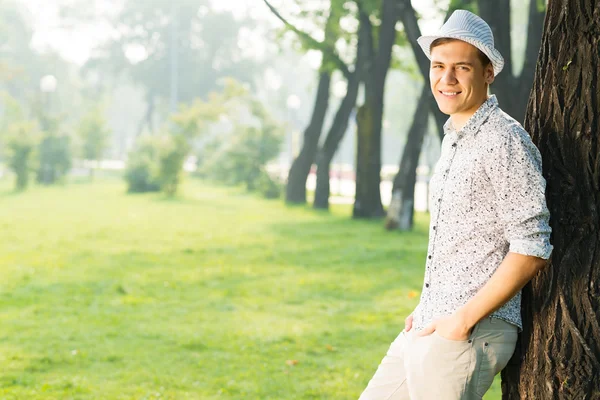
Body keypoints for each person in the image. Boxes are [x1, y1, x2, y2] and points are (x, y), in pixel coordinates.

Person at [358, 10, 553, 400]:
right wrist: (429, 307)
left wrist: (460, 322)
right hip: (430, 324)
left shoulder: (504, 140)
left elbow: (532, 247)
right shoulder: (455, 138)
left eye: (461, 67)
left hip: (468, 332)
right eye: (438, 66)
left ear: (487, 73)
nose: (446, 79)